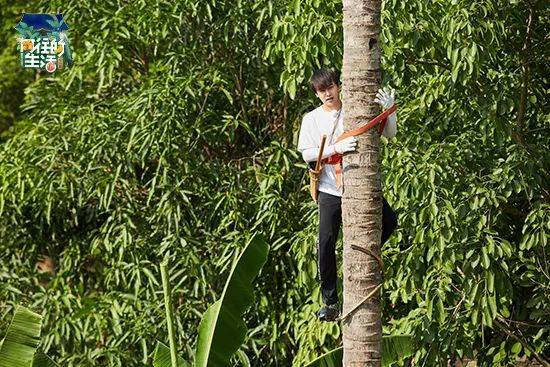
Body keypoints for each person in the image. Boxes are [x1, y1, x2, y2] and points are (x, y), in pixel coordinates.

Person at [297, 68, 398, 322]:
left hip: (358, 185)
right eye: (322, 91)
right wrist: (336, 148)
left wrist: (390, 109)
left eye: (330, 87)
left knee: (390, 221)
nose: (328, 93)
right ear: (317, 94)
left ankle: (360, 256)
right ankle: (330, 302)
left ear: (338, 86)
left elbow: (390, 133)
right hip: (331, 188)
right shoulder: (311, 119)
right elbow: (307, 154)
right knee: (326, 241)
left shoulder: (355, 109)